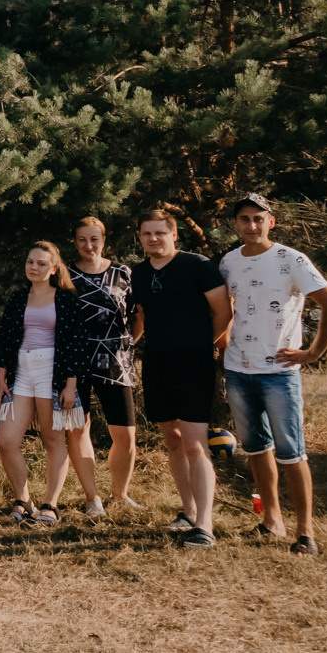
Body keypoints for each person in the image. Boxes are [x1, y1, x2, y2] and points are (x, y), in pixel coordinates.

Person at [220, 193, 327, 555]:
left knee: (292, 452)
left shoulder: (291, 259)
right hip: (238, 369)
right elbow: (227, 305)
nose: (252, 225)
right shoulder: (229, 262)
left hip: (279, 371)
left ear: (271, 221)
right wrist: (224, 340)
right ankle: (271, 520)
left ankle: (305, 532)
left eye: (259, 218)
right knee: (257, 449)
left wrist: (312, 353)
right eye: (244, 219)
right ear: (236, 224)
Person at [129, 209, 234, 548]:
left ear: (174, 235)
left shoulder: (198, 265)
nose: (153, 239)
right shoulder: (139, 273)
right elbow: (141, 315)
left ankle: (205, 525)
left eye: (160, 233)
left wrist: (205, 344)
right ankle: (188, 511)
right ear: (141, 238)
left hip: (194, 364)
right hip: (157, 364)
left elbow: (224, 311)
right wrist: (129, 344)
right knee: (172, 440)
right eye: (147, 234)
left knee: (194, 444)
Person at [0, 241, 84, 525]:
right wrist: (0, 378)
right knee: (6, 441)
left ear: (54, 268)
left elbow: (75, 345)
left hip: (52, 373)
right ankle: (23, 500)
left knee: (53, 439)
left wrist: (70, 385)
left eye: (41, 264)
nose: (34, 267)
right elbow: (6, 339)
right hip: (21, 372)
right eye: (30, 262)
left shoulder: (66, 299)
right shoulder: (19, 298)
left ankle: (50, 505)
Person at [68, 217, 140, 509]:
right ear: (75, 242)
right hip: (76, 361)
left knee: (125, 435)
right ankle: (92, 498)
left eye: (94, 239)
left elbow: (137, 317)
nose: (89, 245)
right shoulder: (65, 275)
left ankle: (120, 496)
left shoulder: (123, 272)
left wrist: (125, 345)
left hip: (116, 361)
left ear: (104, 240)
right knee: (78, 430)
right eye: (82, 239)